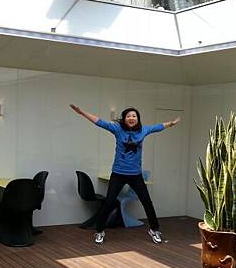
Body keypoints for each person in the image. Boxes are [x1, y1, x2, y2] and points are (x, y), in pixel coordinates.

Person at [70, 104, 180, 245]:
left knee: (147, 202)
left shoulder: (143, 130)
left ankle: (154, 230)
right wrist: (81, 112)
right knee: (109, 202)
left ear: (137, 119)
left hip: (136, 175)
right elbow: (100, 122)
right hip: (118, 174)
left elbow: (158, 127)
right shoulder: (118, 129)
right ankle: (99, 231)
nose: (131, 118)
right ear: (124, 119)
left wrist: (171, 123)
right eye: (128, 116)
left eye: (134, 116)